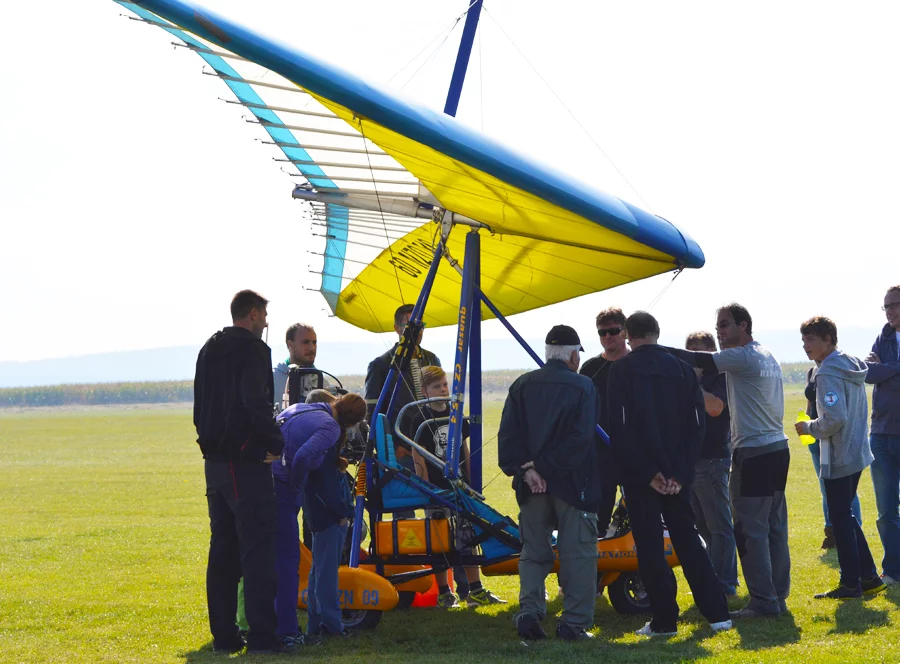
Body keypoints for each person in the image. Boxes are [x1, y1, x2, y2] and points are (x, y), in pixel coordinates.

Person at [608, 313, 731, 637]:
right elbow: (696, 426)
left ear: (628, 335)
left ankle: (664, 621)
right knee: (689, 540)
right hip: (679, 474)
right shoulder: (681, 369)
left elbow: (621, 429)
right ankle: (718, 613)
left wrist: (649, 474)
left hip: (641, 476)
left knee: (649, 547)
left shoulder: (621, 370)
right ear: (657, 333)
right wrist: (678, 473)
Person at [669, 303, 790, 619]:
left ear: (744, 325)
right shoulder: (766, 354)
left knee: (750, 530)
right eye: (718, 325)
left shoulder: (742, 355)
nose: (719, 332)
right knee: (773, 527)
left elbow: (700, 360)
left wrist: (652, 349)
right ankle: (777, 594)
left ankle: (764, 602)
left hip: (754, 452)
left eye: (724, 325)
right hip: (777, 448)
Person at [193, 289, 286, 654]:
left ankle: (225, 635)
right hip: (246, 463)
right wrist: (275, 443)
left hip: (214, 463)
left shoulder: (208, 349)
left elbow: (200, 404)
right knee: (258, 552)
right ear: (252, 314)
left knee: (223, 552)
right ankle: (263, 637)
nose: (265, 323)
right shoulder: (254, 350)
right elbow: (255, 402)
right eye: (263, 316)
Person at [498, 325, 600, 642]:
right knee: (578, 554)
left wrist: (528, 470)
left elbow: (508, 439)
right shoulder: (584, 387)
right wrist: (542, 466)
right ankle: (573, 624)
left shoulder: (521, 385)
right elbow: (580, 441)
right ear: (573, 355)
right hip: (573, 485)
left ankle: (529, 613)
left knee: (533, 551)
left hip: (530, 487)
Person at [399, 366, 506, 609]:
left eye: (445, 385)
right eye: (437, 386)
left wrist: (470, 480)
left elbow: (464, 450)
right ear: (425, 391)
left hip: (459, 487)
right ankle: (445, 592)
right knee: (439, 540)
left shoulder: (455, 412)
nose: (443, 390)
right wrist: (425, 486)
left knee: (467, 536)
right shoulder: (420, 418)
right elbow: (418, 454)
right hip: (436, 488)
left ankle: (475, 590)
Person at [794, 317, 885, 599]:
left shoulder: (827, 373)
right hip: (857, 451)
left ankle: (850, 584)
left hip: (841, 454)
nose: (806, 346)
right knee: (844, 514)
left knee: (840, 517)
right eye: (803, 340)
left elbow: (834, 418)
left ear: (829, 340)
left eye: (811, 340)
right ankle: (868, 576)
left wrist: (808, 428)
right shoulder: (850, 363)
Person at [293, 393, 367, 638]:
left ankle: (316, 626)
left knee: (318, 572)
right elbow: (328, 485)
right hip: (329, 517)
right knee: (326, 576)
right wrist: (344, 513)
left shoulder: (321, 428)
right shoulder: (329, 436)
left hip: (317, 513)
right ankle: (332, 627)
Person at [685, 331, 738, 598]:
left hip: (714, 458)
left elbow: (715, 407)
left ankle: (725, 584)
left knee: (720, 526)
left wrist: (694, 383)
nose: (694, 356)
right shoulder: (688, 380)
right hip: (691, 461)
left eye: (700, 351)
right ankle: (713, 580)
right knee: (703, 527)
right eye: (690, 351)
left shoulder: (721, 377)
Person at [579, 307, 628, 532]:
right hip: (600, 454)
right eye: (602, 333)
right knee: (599, 515)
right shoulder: (589, 368)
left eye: (613, 331)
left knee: (638, 514)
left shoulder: (636, 363)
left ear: (625, 332)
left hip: (632, 450)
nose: (607, 337)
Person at [864, 285, 900, 586]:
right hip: (880, 434)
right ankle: (892, 571)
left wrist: (884, 369)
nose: (890, 311)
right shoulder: (884, 335)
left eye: (894, 305)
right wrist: (892, 370)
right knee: (886, 510)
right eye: (886, 306)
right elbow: (867, 373)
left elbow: (879, 372)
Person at [805, 365, 862, 549]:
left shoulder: (835, 372)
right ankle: (831, 531)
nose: (806, 345)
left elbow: (839, 413)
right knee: (825, 486)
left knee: (846, 488)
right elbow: (811, 405)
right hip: (815, 437)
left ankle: (854, 529)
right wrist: (806, 423)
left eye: (810, 339)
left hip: (833, 437)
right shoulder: (812, 372)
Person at [364, 304, 441, 425]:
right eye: (411, 326)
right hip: (400, 436)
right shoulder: (380, 364)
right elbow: (373, 412)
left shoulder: (432, 359)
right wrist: (389, 442)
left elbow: (441, 398)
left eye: (420, 326)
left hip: (430, 433)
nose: (418, 331)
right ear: (397, 328)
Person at [273, 323, 331, 412]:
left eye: (314, 342)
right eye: (305, 342)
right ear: (290, 345)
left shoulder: (322, 384)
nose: (312, 348)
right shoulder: (273, 378)